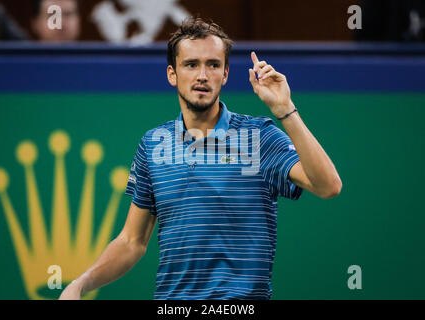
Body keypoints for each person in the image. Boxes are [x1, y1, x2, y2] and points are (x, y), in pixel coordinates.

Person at [59, 18, 342, 300]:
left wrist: (285, 109)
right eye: (191, 64)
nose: (203, 75)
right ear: (173, 74)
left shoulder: (258, 136)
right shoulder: (153, 143)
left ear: (226, 74)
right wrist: (81, 283)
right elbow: (132, 241)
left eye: (213, 65)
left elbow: (328, 186)